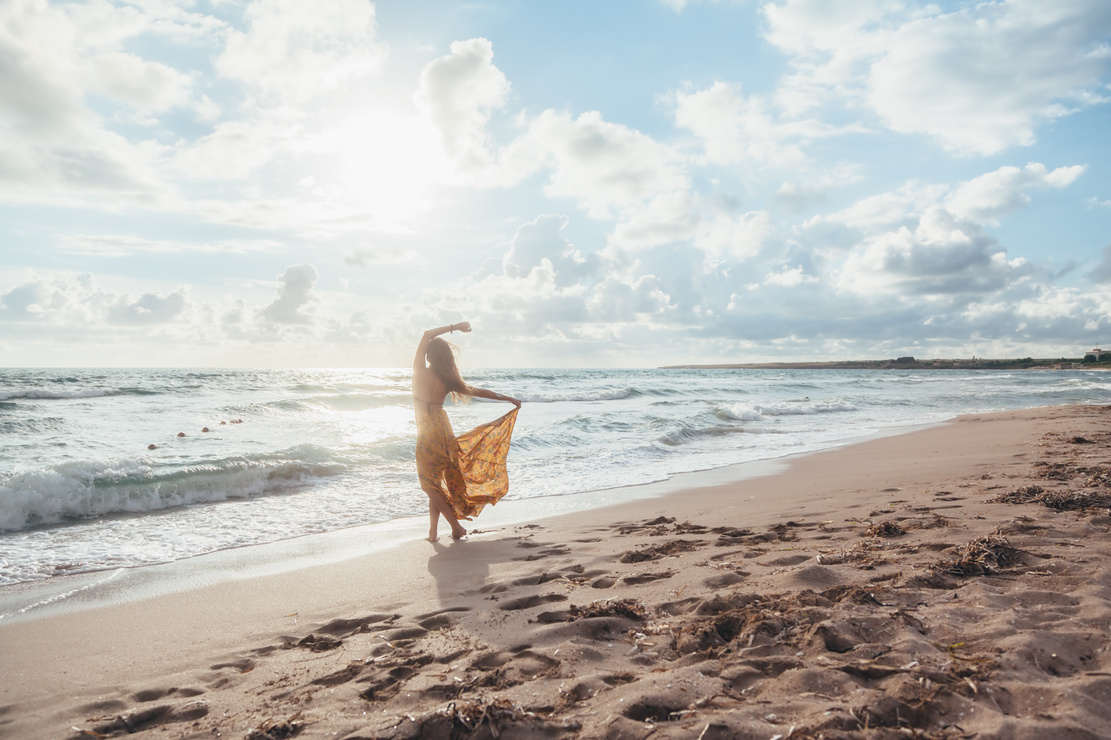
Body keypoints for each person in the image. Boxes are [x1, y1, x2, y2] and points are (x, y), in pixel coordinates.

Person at [413, 321, 522, 541]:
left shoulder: (418, 370)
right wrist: (507, 398)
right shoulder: (446, 379)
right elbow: (477, 391)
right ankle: (433, 532)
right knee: (434, 482)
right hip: (443, 429)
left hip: (426, 431)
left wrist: (454, 327)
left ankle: (456, 527)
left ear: (428, 356)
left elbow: (426, 334)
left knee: (428, 483)